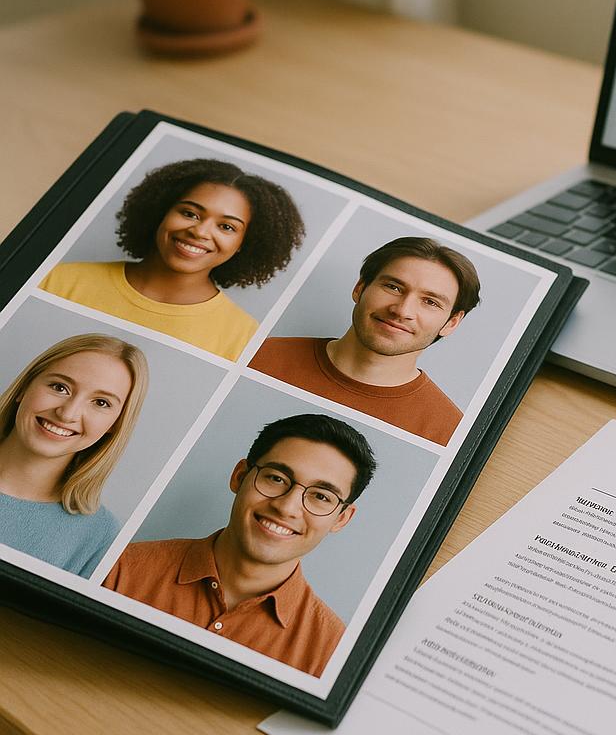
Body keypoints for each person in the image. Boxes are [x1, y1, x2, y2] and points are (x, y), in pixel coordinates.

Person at [103, 413, 375, 677]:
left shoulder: (332, 651)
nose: (286, 507)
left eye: (321, 496)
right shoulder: (119, 567)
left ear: (341, 519)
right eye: (276, 479)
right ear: (240, 476)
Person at [40, 157, 306, 361]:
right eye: (190, 213)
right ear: (160, 212)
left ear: (243, 245)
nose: (200, 232)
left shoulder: (243, 336)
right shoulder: (60, 280)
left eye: (226, 227)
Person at [249, 237, 481, 446]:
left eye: (430, 302)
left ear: (452, 322)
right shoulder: (257, 354)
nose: (402, 310)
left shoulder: (449, 432)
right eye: (393, 287)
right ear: (360, 288)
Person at [0, 334, 149, 577]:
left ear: (115, 423)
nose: (67, 413)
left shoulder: (98, 535)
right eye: (60, 387)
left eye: (100, 403)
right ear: (25, 387)